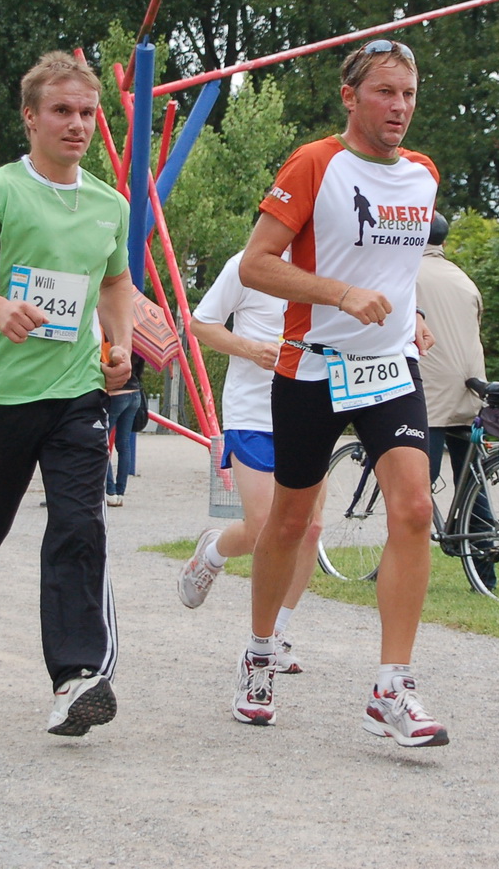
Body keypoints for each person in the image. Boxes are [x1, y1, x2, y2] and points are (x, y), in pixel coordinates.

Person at [235, 38, 446, 747]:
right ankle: (260, 650)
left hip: (389, 368)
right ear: (350, 96)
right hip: (313, 367)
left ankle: (392, 685)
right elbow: (256, 264)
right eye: (386, 92)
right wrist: (339, 293)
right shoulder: (314, 163)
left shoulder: (423, 175)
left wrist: (406, 311)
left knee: (414, 508)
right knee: (289, 523)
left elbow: (394, 264)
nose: (400, 107)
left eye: (409, 94)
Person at [0, 50, 133, 737]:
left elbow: (112, 281)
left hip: (76, 392)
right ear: (31, 117)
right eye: (62, 111)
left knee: (80, 525)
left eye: (86, 112)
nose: (77, 124)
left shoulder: (110, 203)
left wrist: (120, 343)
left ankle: (77, 677)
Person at [176, 250, 323, 675]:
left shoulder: (330, 263)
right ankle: (214, 552)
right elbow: (200, 324)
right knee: (264, 528)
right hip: (254, 410)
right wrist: (250, 348)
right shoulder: (249, 264)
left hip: (312, 407)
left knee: (310, 527)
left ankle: (275, 634)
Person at [414, 211, 496, 592]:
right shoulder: (464, 280)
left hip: (429, 390)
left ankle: (402, 562)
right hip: (470, 389)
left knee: (415, 484)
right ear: (443, 243)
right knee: (471, 476)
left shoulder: (407, 275)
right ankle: (485, 566)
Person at [103, 352, 145, 505]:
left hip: (116, 394)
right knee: (124, 444)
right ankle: (120, 492)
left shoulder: (116, 347)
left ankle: (110, 490)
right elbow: (139, 372)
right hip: (135, 393)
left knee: (102, 443)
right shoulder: (140, 346)